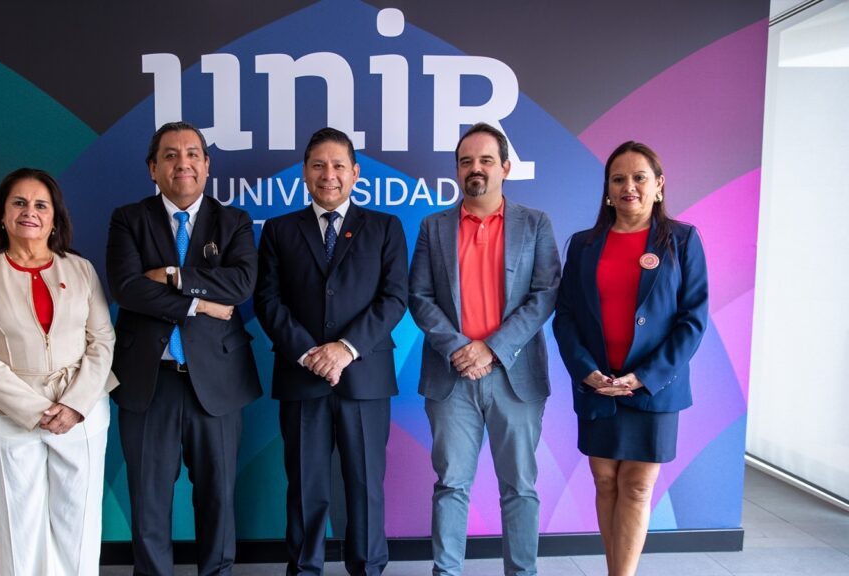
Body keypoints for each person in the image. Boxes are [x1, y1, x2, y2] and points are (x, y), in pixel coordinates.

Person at [106, 121, 262, 576]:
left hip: (217, 383)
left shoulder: (233, 221)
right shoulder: (128, 219)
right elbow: (128, 288)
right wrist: (201, 304)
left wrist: (173, 276)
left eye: (193, 154)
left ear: (207, 165)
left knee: (218, 497)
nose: (183, 163)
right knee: (149, 499)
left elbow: (240, 284)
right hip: (148, 381)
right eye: (170, 155)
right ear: (153, 168)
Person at [254, 127, 408, 576]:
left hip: (365, 377)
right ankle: (305, 570)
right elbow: (268, 301)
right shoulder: (280, 230)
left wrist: (344, 349)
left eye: (339, 165)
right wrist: (309, 353)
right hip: (302, 377)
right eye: (318, 165)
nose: (329, 174)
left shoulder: (385, 227)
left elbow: (394, 298)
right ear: (304, 172)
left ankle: (368, 569)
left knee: (365, 487)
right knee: (306, 488)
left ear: (355, 172)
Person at [408, 123, 560, 576]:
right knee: (451, 485)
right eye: (466, 161)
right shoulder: (433, 227)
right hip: (451, 376)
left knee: (520, 487)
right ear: (457, 170)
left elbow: (545, 294)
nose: (475, 168)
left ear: (505, 168)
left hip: (515, 376)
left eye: (486, 160)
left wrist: (491, 349)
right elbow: (419, 297)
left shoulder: (535, 223)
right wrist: (461, 348)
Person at [0, 168, 117, 575]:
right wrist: (32, 409)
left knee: (79, 525)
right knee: (18, 529)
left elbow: (102, 339)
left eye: (41, 205)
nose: (30, 212)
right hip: (3, 415)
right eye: (19, 203)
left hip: (81, 412)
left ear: (54, 218)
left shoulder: (81, 270)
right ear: (2, 215)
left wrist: (75, 405)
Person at [552, 141, 708, 576]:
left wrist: (645, 376)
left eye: (640, 178)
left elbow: (693, 320)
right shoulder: (583, 245)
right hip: (598, 386)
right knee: (605, 482)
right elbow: (565, 316)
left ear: (659, 185)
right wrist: (586, 371)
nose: (629, 187)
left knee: (637, 487)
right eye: (618, 179)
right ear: (607, 189)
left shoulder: (683, 240)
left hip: (654, 389)